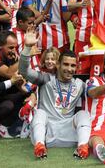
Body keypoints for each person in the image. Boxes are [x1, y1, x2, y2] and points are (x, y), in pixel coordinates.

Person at [19, 27, 91, 159]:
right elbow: (24, 71)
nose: (69, 69)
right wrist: (27, 48)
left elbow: (96, 92)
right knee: (40, 113)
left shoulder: (80, 85)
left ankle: (82, 147)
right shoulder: (45, 79)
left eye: (73, 66)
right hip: (47, 133)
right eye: (66, 65)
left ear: (77, 67)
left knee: (83, 114)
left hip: (69, 133)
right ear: (58, 64)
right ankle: (40, 146)